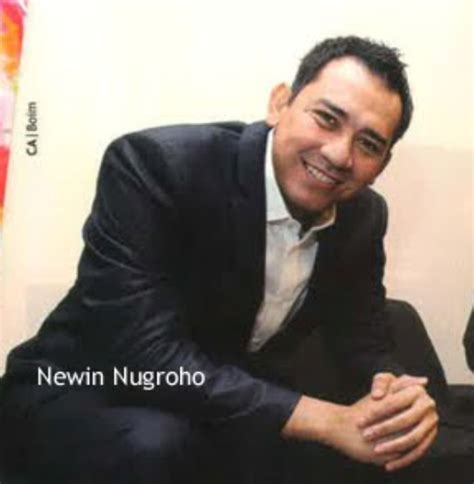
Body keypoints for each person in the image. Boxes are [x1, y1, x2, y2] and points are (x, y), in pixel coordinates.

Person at [0, 36, 438, 483]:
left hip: (214, 399)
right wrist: (327, 421)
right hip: (83, 385)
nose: (339, 154)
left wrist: (397, 395)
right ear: (280, 103)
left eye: (368, 144)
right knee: (160, 443)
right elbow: (144, 355)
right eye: (327, 119)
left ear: (383, 163)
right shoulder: (157, 165)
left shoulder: (362, 216)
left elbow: (364, 340)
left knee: (377, 448)